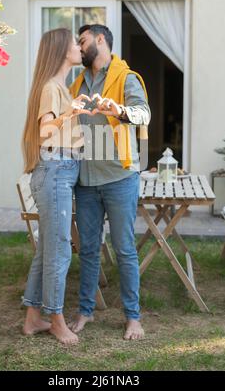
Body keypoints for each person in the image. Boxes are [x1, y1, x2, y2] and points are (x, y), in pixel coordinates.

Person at [68, 24, 151, 340]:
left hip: (119, 178)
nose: (79, 46)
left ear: (100, 39)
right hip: (85, 181)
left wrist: (122, 111)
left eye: (83, 40)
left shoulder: (126, 78)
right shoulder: (77, 82)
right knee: (88, 249)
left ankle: (133, 317)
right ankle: (85, 311)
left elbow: (144, 113)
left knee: (124, 249)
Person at [21, 28, 92, 345]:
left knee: (48, 250)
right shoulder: (52, 87)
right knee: (60, 251)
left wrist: (77, 110)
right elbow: (47, 130)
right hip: (55, 171)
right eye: (75, 44)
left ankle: (33, 318)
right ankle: (56, 319)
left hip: (60, 170)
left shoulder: (58, 87)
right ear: (63, 50)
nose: (80, 47)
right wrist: (70, 112)